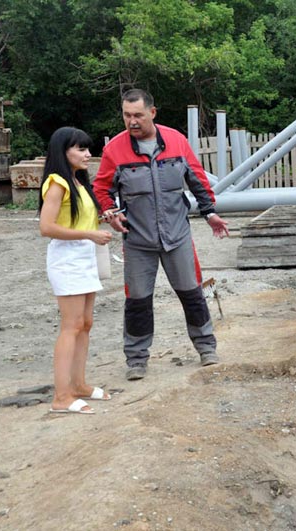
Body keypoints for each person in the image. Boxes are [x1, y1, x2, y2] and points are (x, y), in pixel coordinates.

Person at [93, 89, 229, 381]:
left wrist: (210, 213)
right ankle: (137, 360)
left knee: (192, 294)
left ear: (152, 113)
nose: (132, 121)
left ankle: (206, 348)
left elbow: (197, 180)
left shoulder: (177, 142)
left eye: (138, 115)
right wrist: (111, 212)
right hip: (138, 240)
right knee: (138, 301)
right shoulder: (115, 150)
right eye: (127, 115)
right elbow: (102, 189)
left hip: (177, 236)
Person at [38, 127, 113, 414]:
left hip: (85, 257)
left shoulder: (78, 182)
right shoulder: (57, 181)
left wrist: (99, 223)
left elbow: (79, 222)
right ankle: (61, 396)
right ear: (63, 151)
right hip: (68, 259)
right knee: (71, 326)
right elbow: (46, 228)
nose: (87, 154)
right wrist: (89, 235)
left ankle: (79, 385)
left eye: (87, 148)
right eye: (80, 149)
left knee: (85, 323)